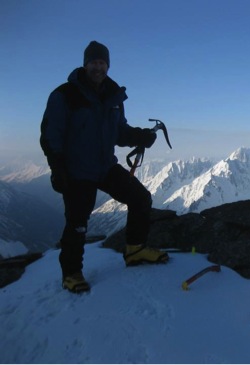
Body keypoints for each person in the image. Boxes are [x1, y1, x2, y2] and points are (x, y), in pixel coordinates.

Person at [40, 41, 168, 294]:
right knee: (77, 222)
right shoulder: (65, 94)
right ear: (85, 64)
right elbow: (50, 134)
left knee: (141, 198)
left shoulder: (114, 97)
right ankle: (71, 273)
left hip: (105, 166)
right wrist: (57, 167)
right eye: (93, 62)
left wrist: (139, 136)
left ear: (107, 65)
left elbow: (118, 132)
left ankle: (135, 250)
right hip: (77, 170)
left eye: (102, 63)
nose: (98, 67)